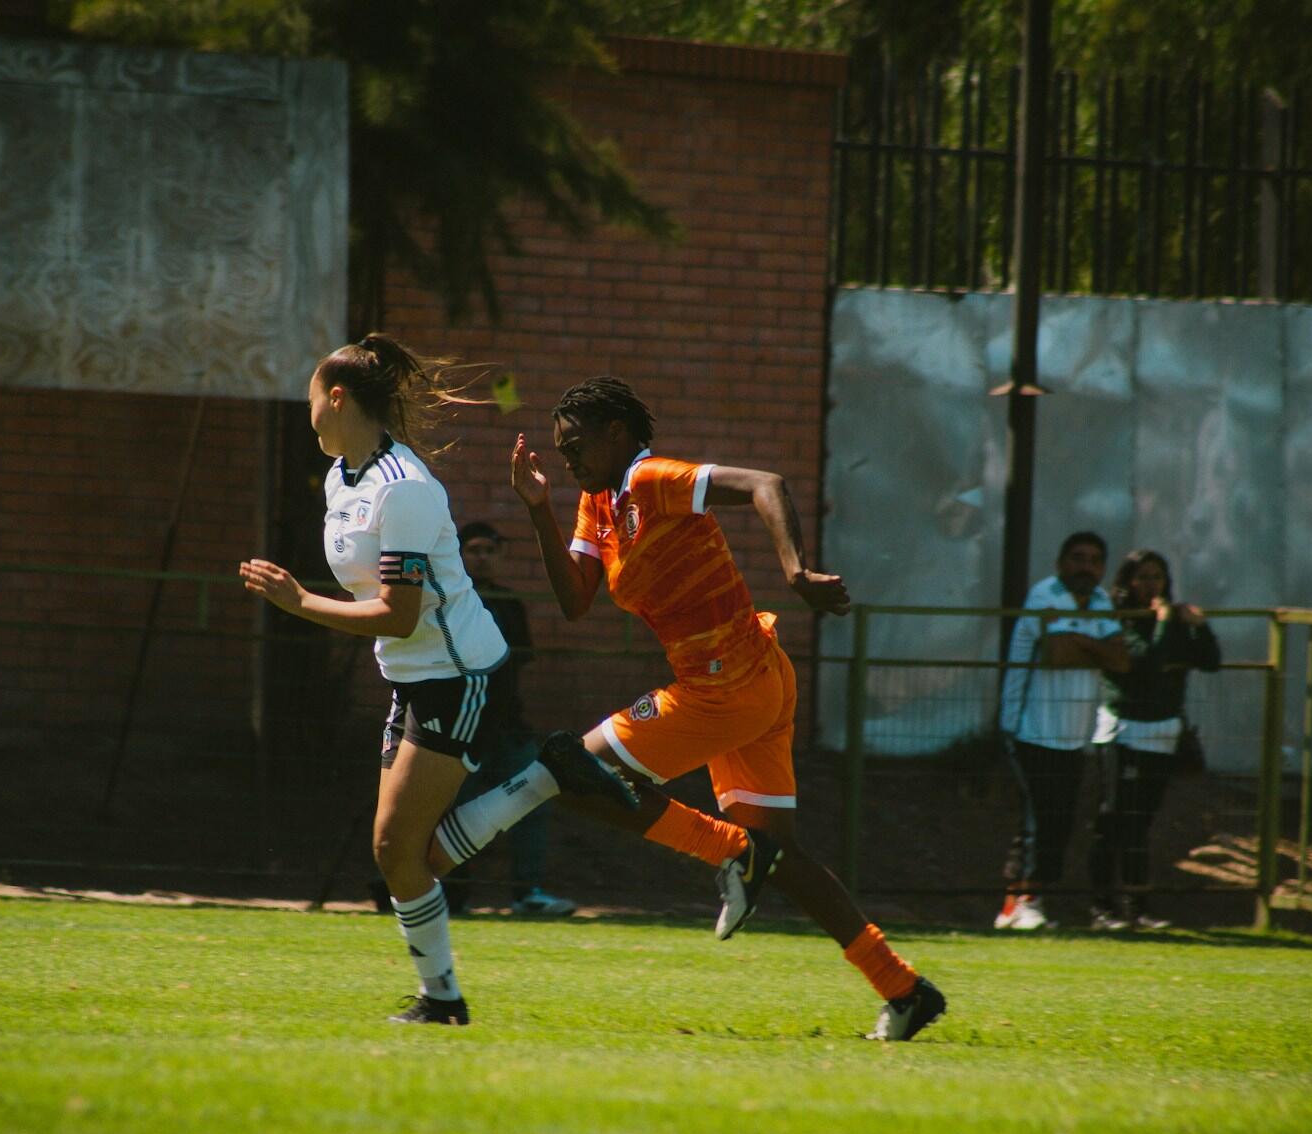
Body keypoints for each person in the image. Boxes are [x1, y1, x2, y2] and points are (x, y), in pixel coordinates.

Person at [424, 376, 945, 1042]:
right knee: (783, 861)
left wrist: (795, 572)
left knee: (575, 773)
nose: (570, 462)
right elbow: (576, 599)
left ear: (618, 434)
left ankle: (735, 852)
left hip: (727, 687)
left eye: (577, 447)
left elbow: (766, 483)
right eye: (561, 454)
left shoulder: (650, 480)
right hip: (749, 683)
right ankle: (903, 988)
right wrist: (537, 507)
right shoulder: (598, 504)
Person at [239, 335, 632, 1027]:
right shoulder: (342, 478)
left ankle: (540, 783)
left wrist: (298, 603)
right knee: (400, 855)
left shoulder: (406, 489)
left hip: (459, 676)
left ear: (337, 397)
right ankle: (444, 997)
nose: (307, 413)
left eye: (309, 399)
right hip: (415, 678)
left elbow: (399, 614)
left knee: (400, 852)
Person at [997, 530, 1128, 931]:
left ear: (1103, 568)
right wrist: (1092, 644)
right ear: (1060, 563)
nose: (1085, 566)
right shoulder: (1044, 595)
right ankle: (1022, 902)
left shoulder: (1103, 600)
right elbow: (1056, 655)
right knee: (1039, 819)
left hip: (1075, 732)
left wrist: (1074, 638)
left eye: (1093, 559)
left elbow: (1121, 660)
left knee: (1059, 820)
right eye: (1077, 557)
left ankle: (1018, 905)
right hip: (1029, 727)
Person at [1088, 549, 1221, 931]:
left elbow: (1210, 661)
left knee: (1140, 822)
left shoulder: (1174, 620)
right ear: (1128, 581)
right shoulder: (1121, 620)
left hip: (1162, 733)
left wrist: (1198, 626)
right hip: (1122, 729)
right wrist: (1163, 623)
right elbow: (1147, 663)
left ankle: (1136, 908)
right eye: (1143, 576)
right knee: (1112, 816)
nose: (1151, 584)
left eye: (1157, 577)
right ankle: (1102, 908)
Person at [447, 519, 574, 917]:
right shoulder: (448, 601)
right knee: (454, 809)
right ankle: (453, 896)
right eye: (474, 551)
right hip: (457, 726)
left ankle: (528, 891)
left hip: (507, 726)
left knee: (532, 795)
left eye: (489, 551)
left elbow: (515, 664)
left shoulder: (509, 602)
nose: (482, 559)